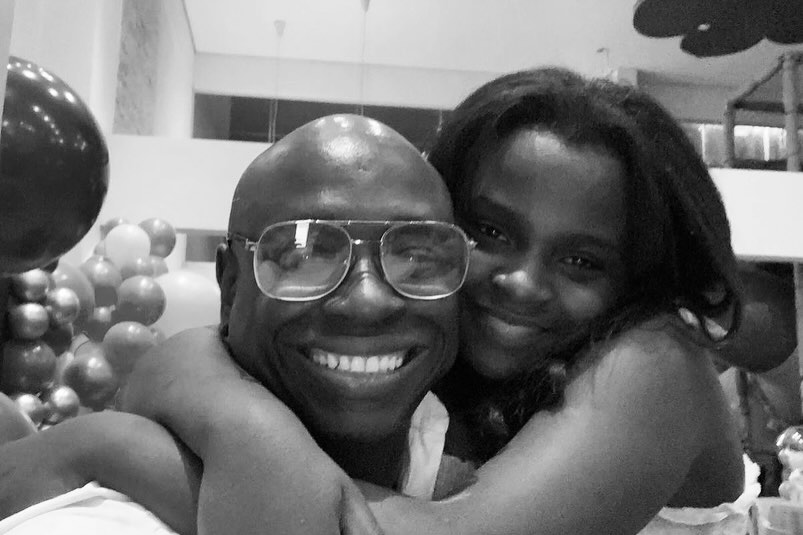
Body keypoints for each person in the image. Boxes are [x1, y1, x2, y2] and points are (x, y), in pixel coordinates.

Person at [2, 68, 754, 534]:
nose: (521, 282)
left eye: (582, 260)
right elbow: (195, 358)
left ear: (634, 278)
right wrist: (226, 407)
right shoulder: (460, 373)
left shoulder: (656, 365)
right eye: (491, 231)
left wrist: (104, 448)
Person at [0, 114, 473, 534]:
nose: (368, 301)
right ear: (230, 286)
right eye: (304, 255)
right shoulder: (104, 522)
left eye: (417, 256)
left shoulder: (468, 441)